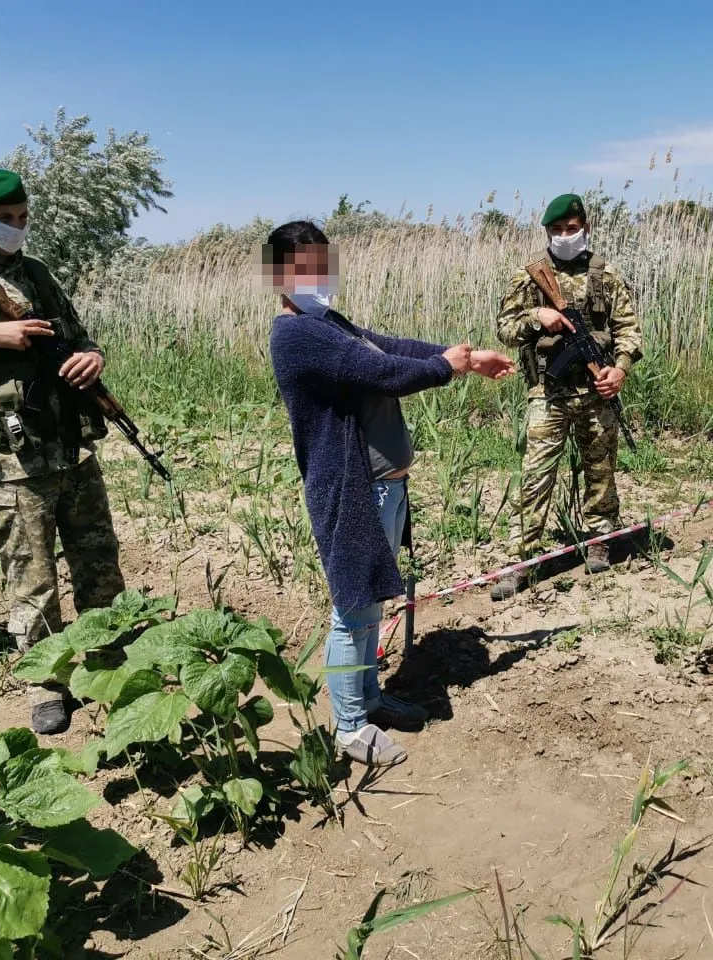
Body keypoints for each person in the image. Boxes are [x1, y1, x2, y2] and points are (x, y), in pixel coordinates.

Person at [264, 220, 514, 768]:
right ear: (280, 275)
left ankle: (369, 698)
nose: (319, 275)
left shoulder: (329, 322)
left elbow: (389, 346)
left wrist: (463, 359)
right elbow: (380, 371)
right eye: (305, 266)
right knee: (353, 607)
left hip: (383, 488)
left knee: (371, 601)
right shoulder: (298, 335)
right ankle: (350, 728)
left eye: (323, 263)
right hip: (353, 490)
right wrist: (443, 369)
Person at [0, 167, 125, 734]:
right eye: (5, 219)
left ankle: (113, 664)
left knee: (99, 567)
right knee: (31, 580)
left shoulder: (37, 274)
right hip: (11, 461)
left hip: (70, 448)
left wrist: (91, 356)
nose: (17, 227)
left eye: (22, 216)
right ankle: (47, 682)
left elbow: (77, 335)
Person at [490, 194, 643, 601]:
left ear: (585, 227)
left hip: (596, 391)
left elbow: (629, 329)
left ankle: (600, 540)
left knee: (601, 469)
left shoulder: (605, 274)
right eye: (556, 231)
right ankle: (521, 559)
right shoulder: (528, 276)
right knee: (536, 475)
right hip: (548, 392)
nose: (563, 237)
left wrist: (619, 370)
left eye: (571, 229)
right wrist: (536, 317)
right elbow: (504, 328)